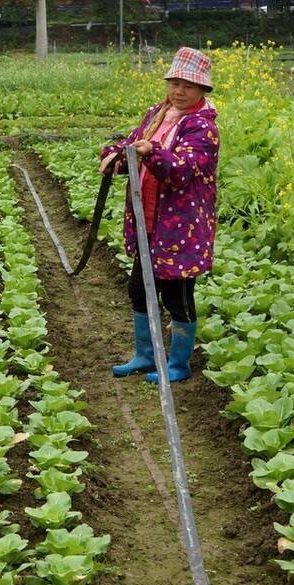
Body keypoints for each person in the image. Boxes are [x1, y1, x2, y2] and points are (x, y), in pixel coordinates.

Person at [99, 47, 220, 383]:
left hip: (180, 227)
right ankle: (145, 355)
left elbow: (182, 170)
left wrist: (151, 152)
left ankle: (178, 364)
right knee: (139, 288)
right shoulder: (158, 114)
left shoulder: (202, 128)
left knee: (177, 296)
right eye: (175, 83)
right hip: (148, 220)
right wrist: (116, 156)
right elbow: (134, 144)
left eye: (189, 86)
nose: (180, 91)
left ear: (202, 90)